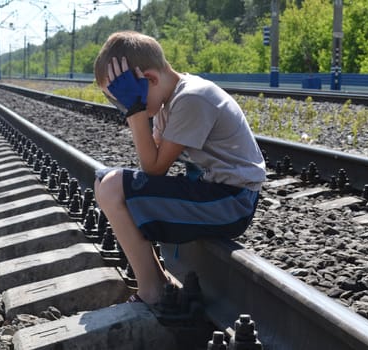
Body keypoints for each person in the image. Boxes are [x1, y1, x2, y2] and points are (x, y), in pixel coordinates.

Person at [93, 31, 266, 305]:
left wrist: (135, 112)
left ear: (149, 79)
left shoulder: (192, 98)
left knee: (114, 186)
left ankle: (153, 289)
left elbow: (154, 169)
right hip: (214, 193)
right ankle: (158, 281)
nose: (122, 106)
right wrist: (139, 109)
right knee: (104, 181)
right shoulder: (168, 101)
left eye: (121, 98)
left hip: (232, 202)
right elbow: (152, 162)